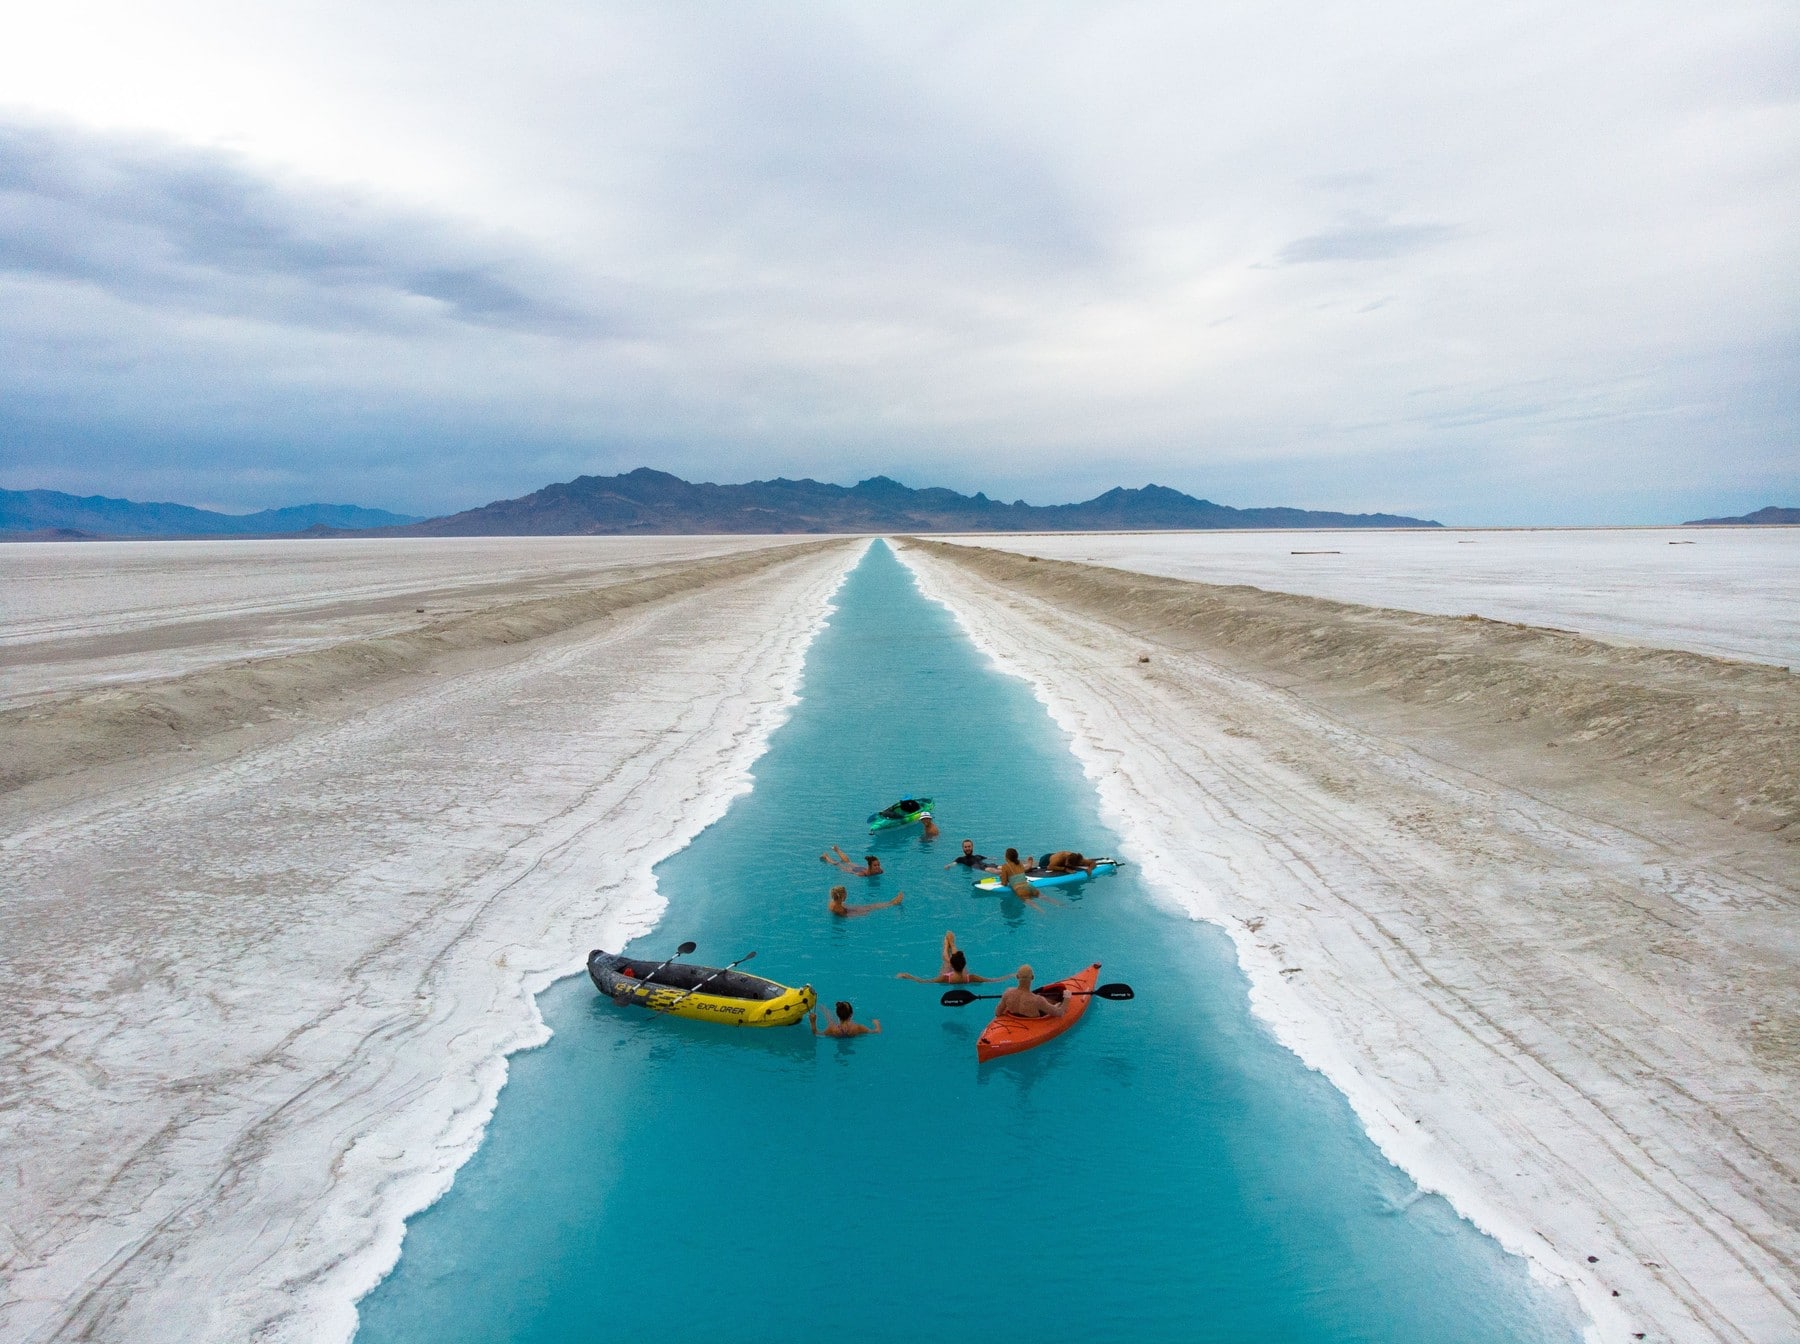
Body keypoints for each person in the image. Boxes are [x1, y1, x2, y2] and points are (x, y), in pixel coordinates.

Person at [897, 931, 1008, 984]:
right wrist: (1011, 975)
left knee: (945, 961)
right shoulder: (971, 977)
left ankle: (947, 945)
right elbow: (992, 980)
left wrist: (908, 976)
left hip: (951, 976)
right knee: (952, 959)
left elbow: (925, 981)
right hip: (962, 975)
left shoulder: (944, 978)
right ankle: (951, 943)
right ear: (964, 964)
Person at [995, 965, 1068, 1019]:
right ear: (1032, 977)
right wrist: (1067, 998)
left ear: (1017, 977)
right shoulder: (1037, 1000)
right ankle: (1056, 1004)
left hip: (1014, 1019)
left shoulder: (1007, 993)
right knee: (1056, 1004)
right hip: (1033, 1023)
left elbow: (997, 1013)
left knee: (1048, 1001)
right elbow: (1059, 1013)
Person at [811, 1000, 881, 1037]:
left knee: (830, 1020)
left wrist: (813, 1022)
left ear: (837, 1015)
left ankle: (824, 1009)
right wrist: (876, 1023)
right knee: (831, 1021)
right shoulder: (858, 1028)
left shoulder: (832, 1029)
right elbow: (876, 1031)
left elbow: (817, 1033)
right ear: (851, 1014)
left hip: (838, 1032)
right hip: (852, 1031)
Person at [828, 884, 903, 917]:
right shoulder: (838, 908)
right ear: (842, 896)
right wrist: (860, 914)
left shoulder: (832, 902)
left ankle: (891, 902)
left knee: (869, 907)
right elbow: (844, 916)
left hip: (846, 909)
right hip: (847, 911)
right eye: (846, 894)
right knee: (869, 908)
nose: (847, 895)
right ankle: (892, 903)